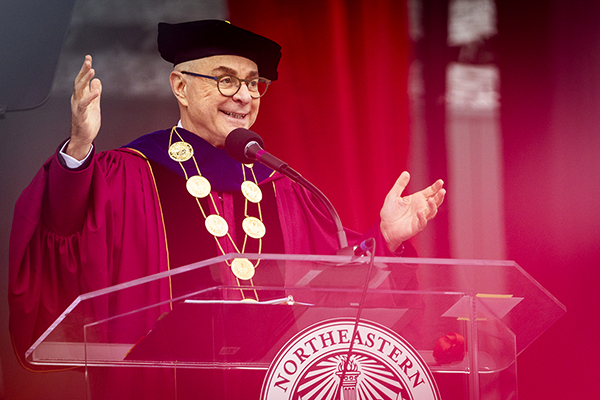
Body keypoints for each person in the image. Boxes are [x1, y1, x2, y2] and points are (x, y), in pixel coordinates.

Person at [9, 20, 445, 399]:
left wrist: (384, 237)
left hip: (271, 386)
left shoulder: (280, 186)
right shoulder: (132, 173)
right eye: (225, 80)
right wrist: (80, 148)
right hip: (166, 389)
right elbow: (62, 235)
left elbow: (329, 278)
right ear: (180, 86)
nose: (243, 96)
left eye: (253, 82)